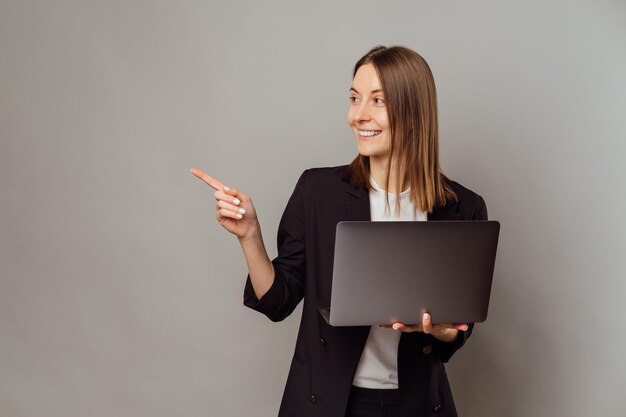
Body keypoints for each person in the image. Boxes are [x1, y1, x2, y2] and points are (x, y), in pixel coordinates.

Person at [191, 45, 488, 417]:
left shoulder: (462, 207)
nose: (357, 115)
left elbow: (456, 332)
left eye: (377, 101)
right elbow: (278, 301)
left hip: (419, 404)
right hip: (329, 403)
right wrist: (249, 235)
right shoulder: (318, 192)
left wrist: (441, 330)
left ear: (414, 113)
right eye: (353, 98)